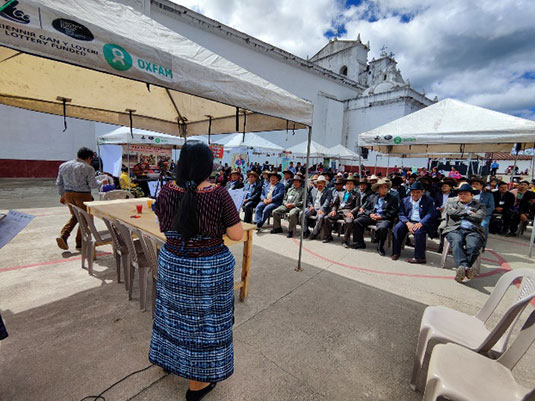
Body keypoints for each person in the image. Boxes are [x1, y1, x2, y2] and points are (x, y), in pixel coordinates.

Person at [150, 141, 243, 401]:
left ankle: (171, 361)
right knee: (205, 325)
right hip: (208, 269)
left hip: (173, 263)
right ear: (208, 166)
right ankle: (197, 385)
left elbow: (163, 228)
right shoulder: (218, 193)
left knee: (174, 317)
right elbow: (236, 234)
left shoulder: (167, 190)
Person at [56, 147, 106, 250]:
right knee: (85, 218)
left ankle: (64, 235)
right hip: (83, 195)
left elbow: (59, 183)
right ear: (88, 158)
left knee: (75, 216)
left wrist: (62, 195)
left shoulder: (64, 166)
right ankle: (80, 242)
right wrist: (101, 182)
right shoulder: (88, 168)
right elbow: (92, 185)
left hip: (68, 194)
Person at [442, 183, 486, 282]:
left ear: (472, 195)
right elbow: (450, 212)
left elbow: (479, 217)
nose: (462, 196)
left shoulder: (480, 205)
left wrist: (459, 213)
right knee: (457, 241)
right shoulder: (451, 202)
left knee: (473, 245)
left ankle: (462, 270)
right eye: (460, 194)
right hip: (454, 229)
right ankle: (466, 268)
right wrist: (467, 212)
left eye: (465, 194)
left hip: (473, 230)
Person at [392, 182, 438, 263]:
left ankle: (420, 257)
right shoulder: (405, 200)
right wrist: (407, 223)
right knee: (397, 228)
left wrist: (421, 222)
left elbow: (430, 213)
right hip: (408, 220)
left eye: (418, 192)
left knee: (419, 231)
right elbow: (401, 213)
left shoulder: (429, 200)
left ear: (422, 192)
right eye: (413, 192)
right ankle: (396, 252)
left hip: (420, 221)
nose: (415, 194)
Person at [352, 178, 399, 255]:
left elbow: (393, 212)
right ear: (378, 189)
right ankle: (360, 242)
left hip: (384, 218)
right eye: (382, 187)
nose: (384, 189)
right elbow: (365, 208)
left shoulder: (392, 199)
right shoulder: (372, 197)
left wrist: (381, 216)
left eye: (386, 187)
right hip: (372, 216)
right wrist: (370, 214)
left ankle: (380, 246)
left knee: (382, 227)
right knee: (357, 221)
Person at [323, 174, 360, 247]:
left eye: (351, 184)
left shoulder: (356, 194)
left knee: (349, 221)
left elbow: (357, 206)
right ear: (345, 185)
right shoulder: (340, 193)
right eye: (348, 184)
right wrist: (333, 210)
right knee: (326, 218)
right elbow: (335, 204)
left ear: (354, 185)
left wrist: (351, 212)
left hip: (348, 212)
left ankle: (345, 240)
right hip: (339, 211)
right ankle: (328, 236)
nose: (349, 185)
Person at [302, 175, 332, 240]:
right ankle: (305, 231)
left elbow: (327, 202)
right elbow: (309, 199)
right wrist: (310, 206)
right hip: (313, 208)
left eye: (321, 183)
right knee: (302, 212)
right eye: (318, 183)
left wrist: (322, 209)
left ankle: (314, 233)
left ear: (324, 183)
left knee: (320, 217)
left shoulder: (328, 191)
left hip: (322, 209)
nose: (319, 184)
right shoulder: (313, 190)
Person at [470, 177, 495, 244]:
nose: (474, 185)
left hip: (483, 215)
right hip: (468, 214)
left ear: (482, 186)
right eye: (473, 184)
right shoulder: (467, 194)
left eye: (477, 184)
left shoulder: (488, 195)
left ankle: (482, 243)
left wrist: (480, 214)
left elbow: (491, 207)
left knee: (484, 224)